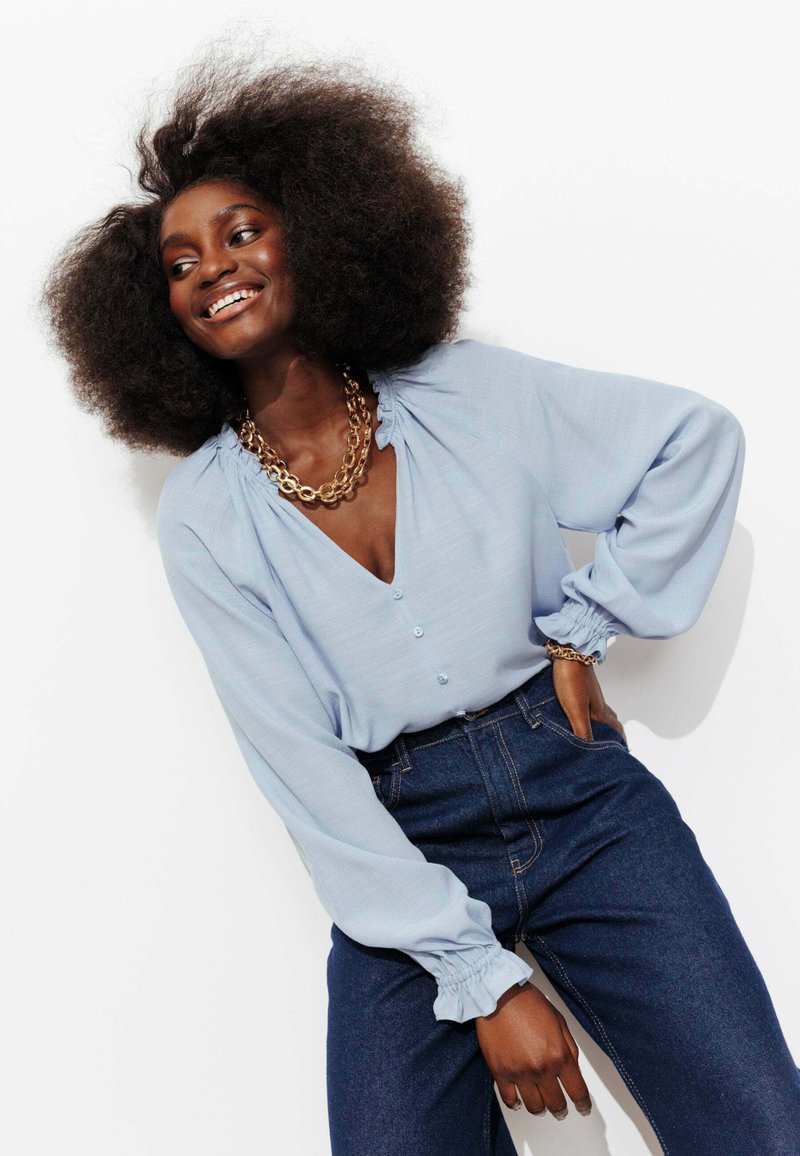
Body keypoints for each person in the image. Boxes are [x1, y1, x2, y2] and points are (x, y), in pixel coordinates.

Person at [40, 48, 800, 1156]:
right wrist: (480, 979)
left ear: (312, 229)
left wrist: (585, 625)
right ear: (157, 311)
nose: (215, 267)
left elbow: (692, 443)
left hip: (580, 794)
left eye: (242, 229)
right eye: (180, 261)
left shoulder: (468, 392)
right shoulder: (205, 514)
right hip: (395, 842)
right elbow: (298, 766)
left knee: (759, 1128)